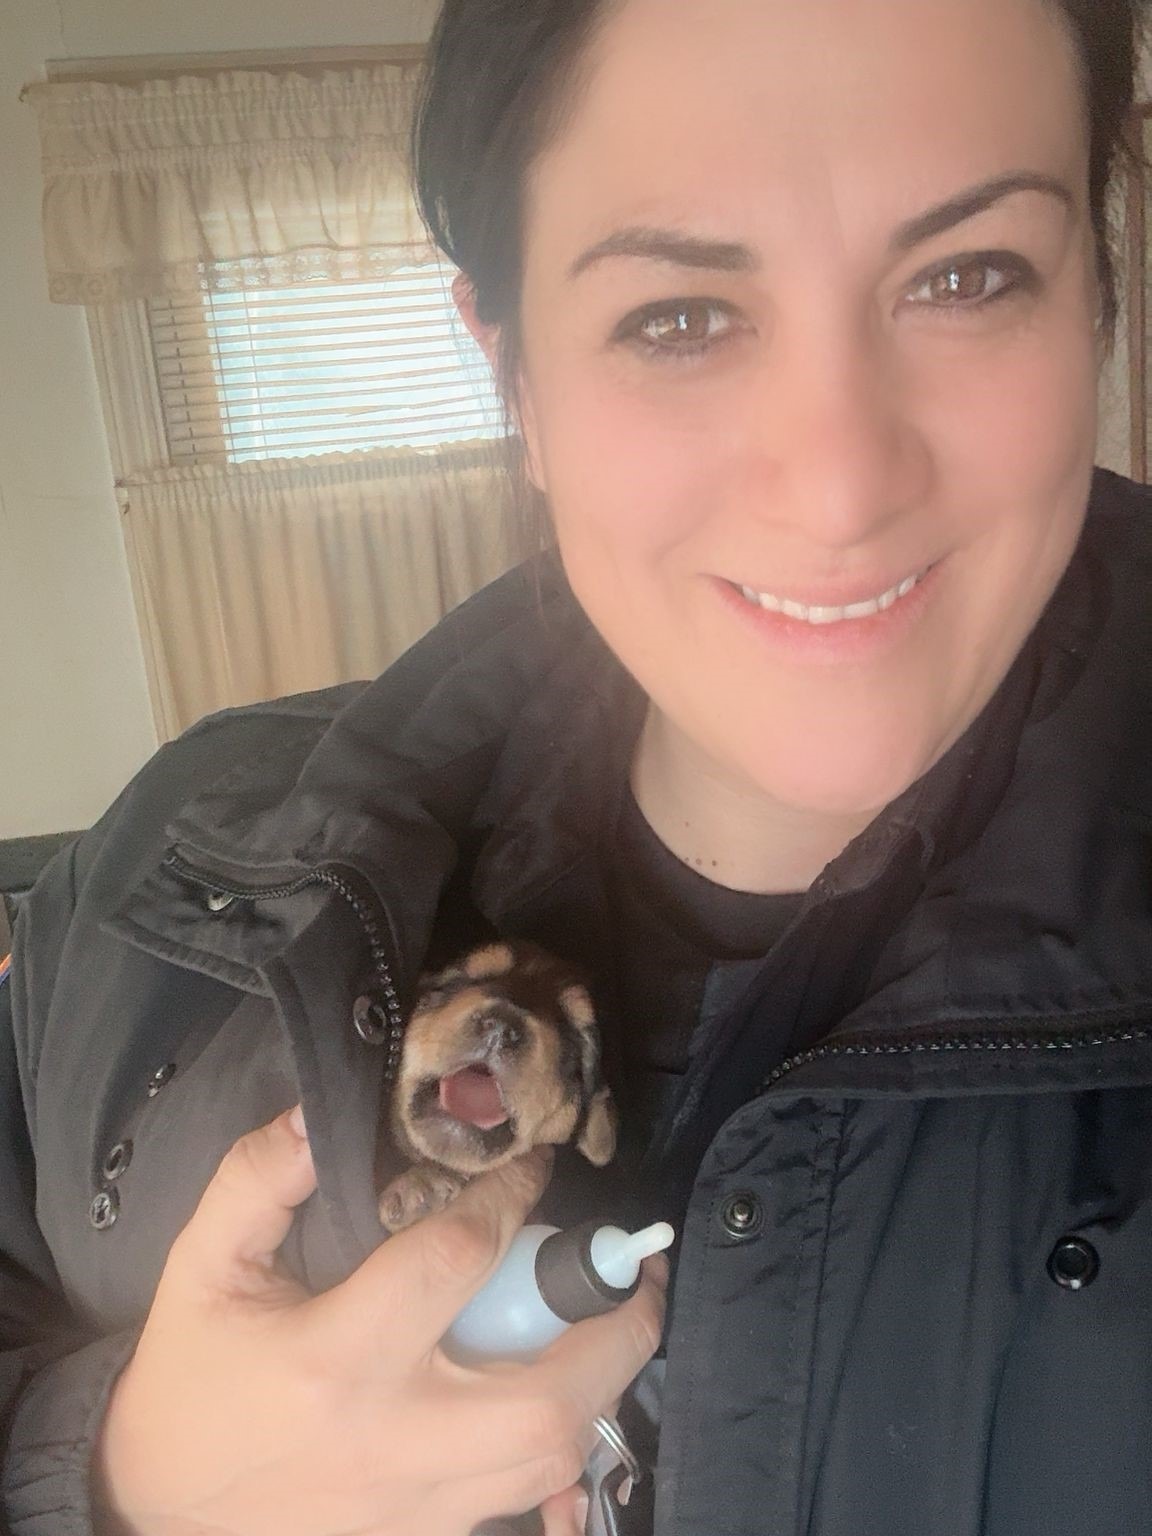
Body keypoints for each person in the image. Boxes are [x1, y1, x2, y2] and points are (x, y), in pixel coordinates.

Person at [3, 0, 1152, 1532]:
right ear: (518, 382)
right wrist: (115, 1478)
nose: (839, 484)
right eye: (677, 315)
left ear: (1099, 303)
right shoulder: (167, 874)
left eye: (967, 275)